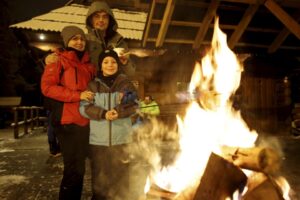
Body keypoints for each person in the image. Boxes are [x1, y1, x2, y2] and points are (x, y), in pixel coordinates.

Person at [41, 25, 96, 200]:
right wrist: (77, 95)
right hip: (67, 122)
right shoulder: (57, 60)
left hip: (86, 121)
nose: (79, 42)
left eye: (82, 39)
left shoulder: (88, 64)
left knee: (83, 168)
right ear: (66, 41)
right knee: (74, 170)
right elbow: (47, 88)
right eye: (74, 39)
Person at [79, 49, 138, 200]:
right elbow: (83, 108)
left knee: (122, 178)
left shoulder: (126, 84)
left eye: (113, 62)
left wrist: (119, 112)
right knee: (100, 179)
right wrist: (103, 114)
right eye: (106, 62)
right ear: (101, 65)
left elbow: (134, 105)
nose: (110, 65)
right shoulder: (93, 85)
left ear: (118, 64)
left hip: (122, 139)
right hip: (99, 141)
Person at [46, 1, 135, 76]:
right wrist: (51, 57)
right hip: (90, 88)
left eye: (105, 16)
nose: (101, 20)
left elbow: (131, 73)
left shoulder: (119, 41)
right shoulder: (84, 40)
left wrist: (125, 63)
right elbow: (68, 54)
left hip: (113, 89)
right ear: (91, 20)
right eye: (97, 16)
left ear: (110, 20)